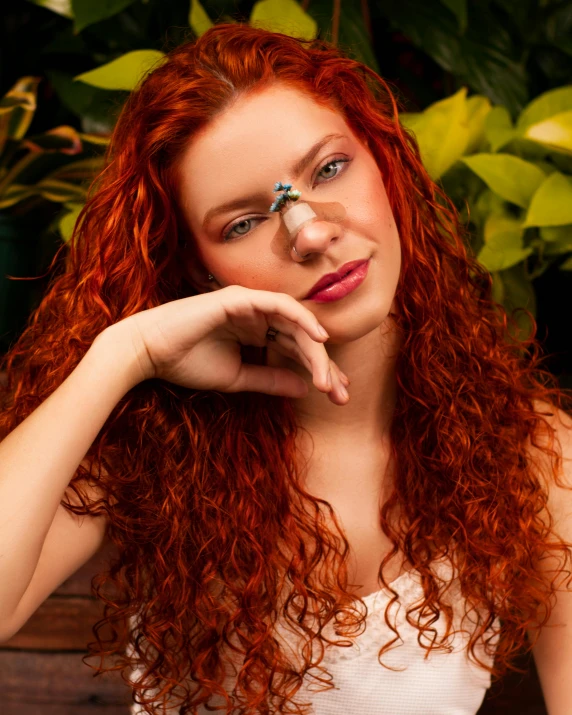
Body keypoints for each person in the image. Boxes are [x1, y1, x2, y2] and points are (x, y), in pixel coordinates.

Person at [0, 22, 571, 715]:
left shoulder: (531, 452)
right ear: (197, 269)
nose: (310, 231)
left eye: (330, 168)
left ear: (385, 163)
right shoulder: (151, 435)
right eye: (242, 223)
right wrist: (126, 353)